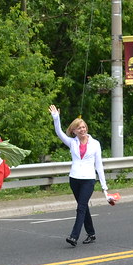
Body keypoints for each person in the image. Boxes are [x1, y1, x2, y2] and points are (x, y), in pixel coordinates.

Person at [49, 105, 110, 247]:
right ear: (74, 131)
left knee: (81, 208)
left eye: (84, 127)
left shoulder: (95, 144)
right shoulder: (72, 143)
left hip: (88, 180)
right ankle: (91, 233)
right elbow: (59, 132)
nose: (82, 129)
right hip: (74, 179)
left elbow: (99, 165)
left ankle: (74, 236)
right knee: (83, 207)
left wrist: (104, 187)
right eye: (79, 128)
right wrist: (56, 118)